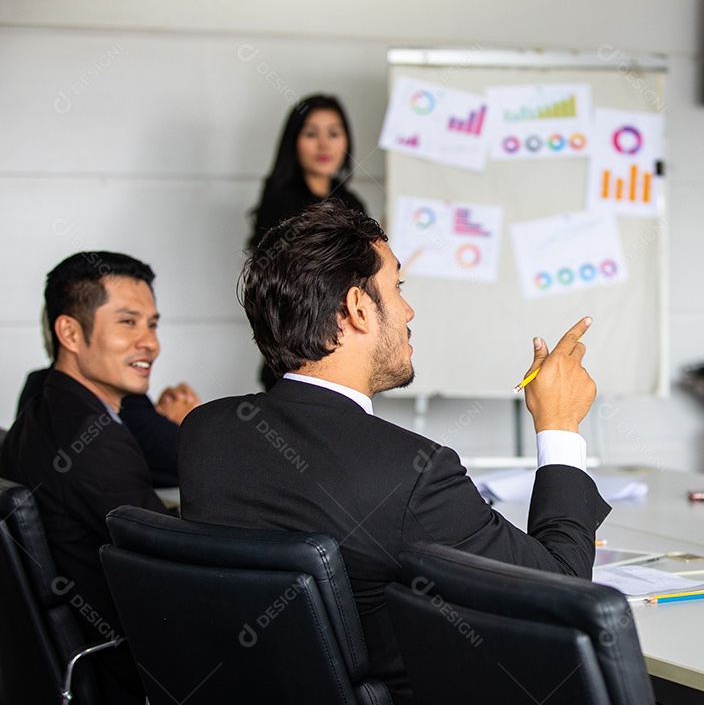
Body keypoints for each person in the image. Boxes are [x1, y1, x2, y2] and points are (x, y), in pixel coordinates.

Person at [179, 202, 609, 703]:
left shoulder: (204, 433)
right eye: (397, 287)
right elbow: (560, 591)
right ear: (359, 308)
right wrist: (558, 425)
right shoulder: (409, 474)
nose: (408, 311)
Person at [0, 251, 173, 704]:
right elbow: (177, 565)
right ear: (70, 332)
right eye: (128, 322)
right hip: (128, 673)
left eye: (152, 324)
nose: (149, 343)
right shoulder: (92, 442)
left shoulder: (39, 413)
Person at [250, 94, 367, 391]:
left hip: (348, 344)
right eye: (311, 133)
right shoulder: (279, 202)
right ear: (294, 141)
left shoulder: (352, 203)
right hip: (298, 347)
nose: (324, 144)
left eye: (334, 133)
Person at [17, 365, 199, 487]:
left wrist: (158, 419)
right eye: (127, 322)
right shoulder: (117, 398)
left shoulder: (37, 384)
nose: (151, 344)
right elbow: (195, 462)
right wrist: (193, 421)